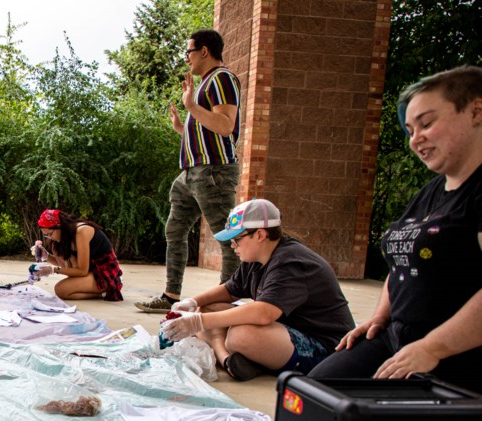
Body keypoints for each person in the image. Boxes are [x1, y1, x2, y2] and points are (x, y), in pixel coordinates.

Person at [310, 66, 482, 392]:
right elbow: (404, 260)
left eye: (427, 123)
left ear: (476, 110)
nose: (416, 139)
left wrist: (433, 348)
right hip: (395, 337)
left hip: (454, 353)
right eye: (410, 129)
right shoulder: (431, 192)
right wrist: (379, 317)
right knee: (312, 393)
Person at [160, 199, 355, 381]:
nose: (233, 246)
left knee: (241, 334)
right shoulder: (255, 259)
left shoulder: (290, 262)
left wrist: (196, 322)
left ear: (260, 235)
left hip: (325, 347)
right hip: (285, 332)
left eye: (237, 239)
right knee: (209, 307)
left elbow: (264, 313)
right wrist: (192, 303)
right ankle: (227, 359)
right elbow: (229, 290)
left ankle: (247, 357)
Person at [136, 29, 242, 313]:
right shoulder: (206, 82)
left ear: (204, 51)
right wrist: (182, 129)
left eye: (189, 52)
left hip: (213, 172)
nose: (187, 59)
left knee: (227, 237)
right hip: (191, 173)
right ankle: (171, 296)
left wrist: (192, 106)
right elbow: (208, 132)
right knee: (175, 229)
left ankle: (228, 301)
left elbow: (225, 126)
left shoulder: (223, 78)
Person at [34, 209, 123, 301]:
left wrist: (53, 270)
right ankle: (94, 290)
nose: (50, 237)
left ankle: (103, 293)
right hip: (90, 272)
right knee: (56, 248)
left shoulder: (81, 232)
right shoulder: (63, 238)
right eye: (46, 235)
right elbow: (64, 266)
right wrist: (46, 256)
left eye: (50, 234)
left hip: (105, 274)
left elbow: (82, 270)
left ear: (59, 226)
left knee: (61, 289)